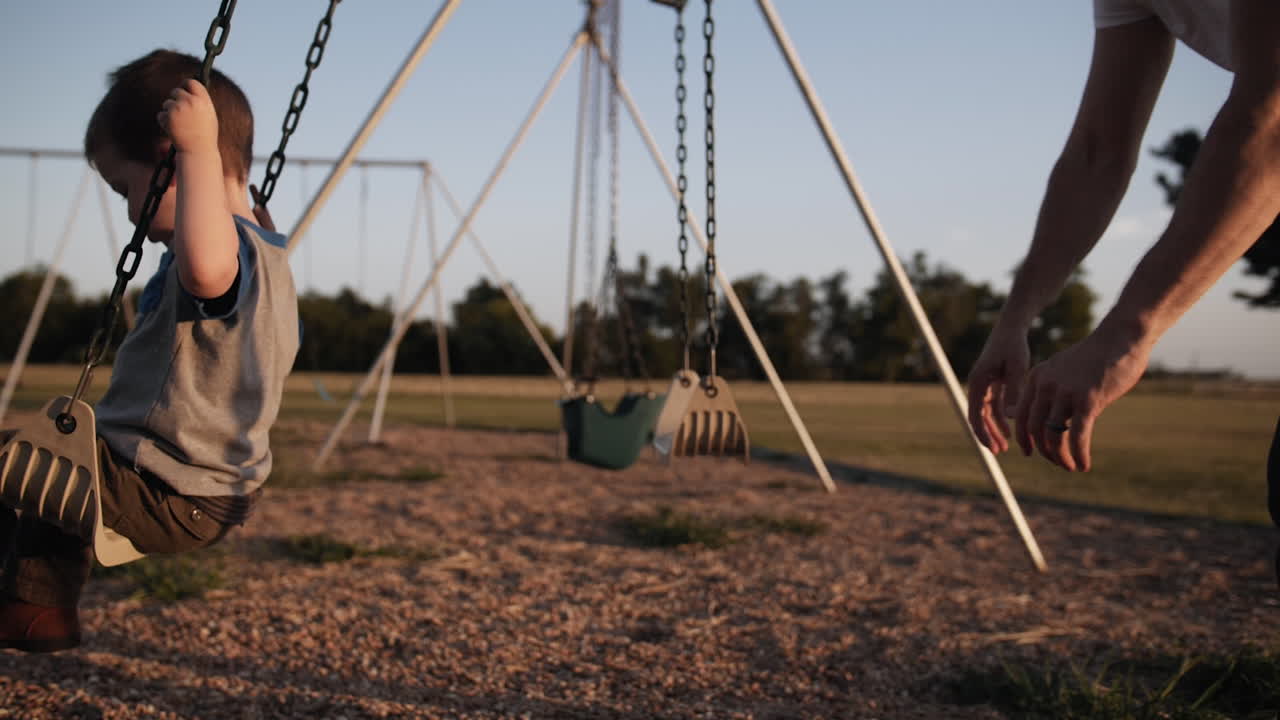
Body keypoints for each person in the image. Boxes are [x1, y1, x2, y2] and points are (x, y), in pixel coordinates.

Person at [0, 49, 299, 652]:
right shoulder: (263, 243)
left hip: (169, 491)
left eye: (124, 188)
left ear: (170, 164)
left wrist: (195, 151)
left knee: (19, 463)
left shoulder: (225, 254)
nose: (129, 209)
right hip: (185, 489)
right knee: (50, 473)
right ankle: (38, 611)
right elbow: (233, 218)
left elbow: (208, 266)